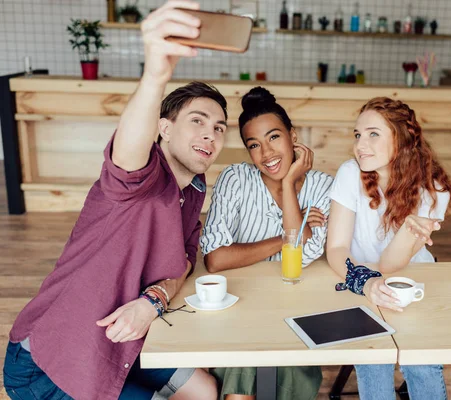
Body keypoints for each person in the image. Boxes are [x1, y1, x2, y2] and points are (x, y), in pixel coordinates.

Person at [3, 2, 225, 399]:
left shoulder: (194, 189)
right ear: (164, 128)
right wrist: (155, 74)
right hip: (56, 364)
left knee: (205, 389)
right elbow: (127, 152)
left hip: (126, 340)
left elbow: (187, 261)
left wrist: (153, 300)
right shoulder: (139, 176)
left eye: (218, 128)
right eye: (197, 121)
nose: (210, 134)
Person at [326, 97, 451, 400]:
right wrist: (366, 282)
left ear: (401, 139)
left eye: (373, 134)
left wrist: (406, 233)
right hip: (359, 281)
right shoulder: (350, 174)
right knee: (374, 363)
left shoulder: (432, 188)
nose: (361, 144)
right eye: (358, 135)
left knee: (423, 366)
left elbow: (390, 265)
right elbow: (336, 248)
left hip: (411, 281)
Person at [200, 87, 333, 399]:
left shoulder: (323, 186)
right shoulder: (236, 178)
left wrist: (288, 184)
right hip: (239, 303)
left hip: (293, 308)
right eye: (254, 145)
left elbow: (302, 257)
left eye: (274, 137)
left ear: (292, 135)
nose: (266, 153)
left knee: (261, 356)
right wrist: (289, 234)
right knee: (244, 353)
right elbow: (216, 259)